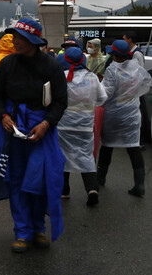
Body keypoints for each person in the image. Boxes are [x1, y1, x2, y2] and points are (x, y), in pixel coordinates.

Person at [0, 18, 68, 253]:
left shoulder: (52, 66)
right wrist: (3, 116)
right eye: (14, 37)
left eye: (21, 39)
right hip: (13, 128)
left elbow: (61, 101)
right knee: (17, 179)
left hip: (42, 128)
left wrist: (45, 124)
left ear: (33, 41)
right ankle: (21, 231)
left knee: (41, 179)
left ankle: (39, 228)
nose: (15, 42)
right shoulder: (7, 63)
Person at [97, 39, 152, 197]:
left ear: (113, 55)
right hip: (132, 115)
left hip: (113, 116)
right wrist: (133, 96)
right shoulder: (137, 68)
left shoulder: (112, 70)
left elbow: (106, 93)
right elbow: (147, 82)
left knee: (107, 146)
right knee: (133, 147)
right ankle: (139, 185)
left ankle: (100, 180)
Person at [56, 47, 107, 206]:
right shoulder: (92, 78)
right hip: (85, 125)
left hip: (63, 125)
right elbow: (102, 99)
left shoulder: (60, 77)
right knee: (86, 156)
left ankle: (64, 190)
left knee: (62, 156)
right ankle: (92, 189)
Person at [122, 32, 151, 146]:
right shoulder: (131, 52)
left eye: (124, 39)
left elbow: (139, 73)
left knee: (139, 115)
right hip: (133, 88)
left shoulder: (137, 54)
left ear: (129, 40)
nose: (123, 41)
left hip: (137, 89)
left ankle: (141, 140)